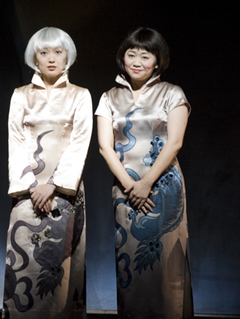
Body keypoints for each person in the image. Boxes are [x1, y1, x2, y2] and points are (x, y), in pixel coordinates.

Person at [95, 27, 193, 318]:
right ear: (122, 58)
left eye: (145, 55)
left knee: (166, 266)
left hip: (164, 189)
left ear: (158, 60)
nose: (137, 61)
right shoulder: (109, 97)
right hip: (126, 191)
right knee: (130, 264)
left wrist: (147, 183)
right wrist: (129, 185)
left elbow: (175, 142)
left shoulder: (172, 93)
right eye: (131, 54)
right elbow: (104, 147)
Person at [2, 27, 92, 319]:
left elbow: (80, 143)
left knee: (65, 270)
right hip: (27, 194)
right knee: (23, 262)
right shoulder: (20, 95)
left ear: (68, 56)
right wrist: (32, 186)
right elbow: (15, 143)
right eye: (44, 52)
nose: (51, 58)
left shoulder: (81, 95)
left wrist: (53, 184)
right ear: (34, 58)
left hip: (65, 194)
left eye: (58, 51)